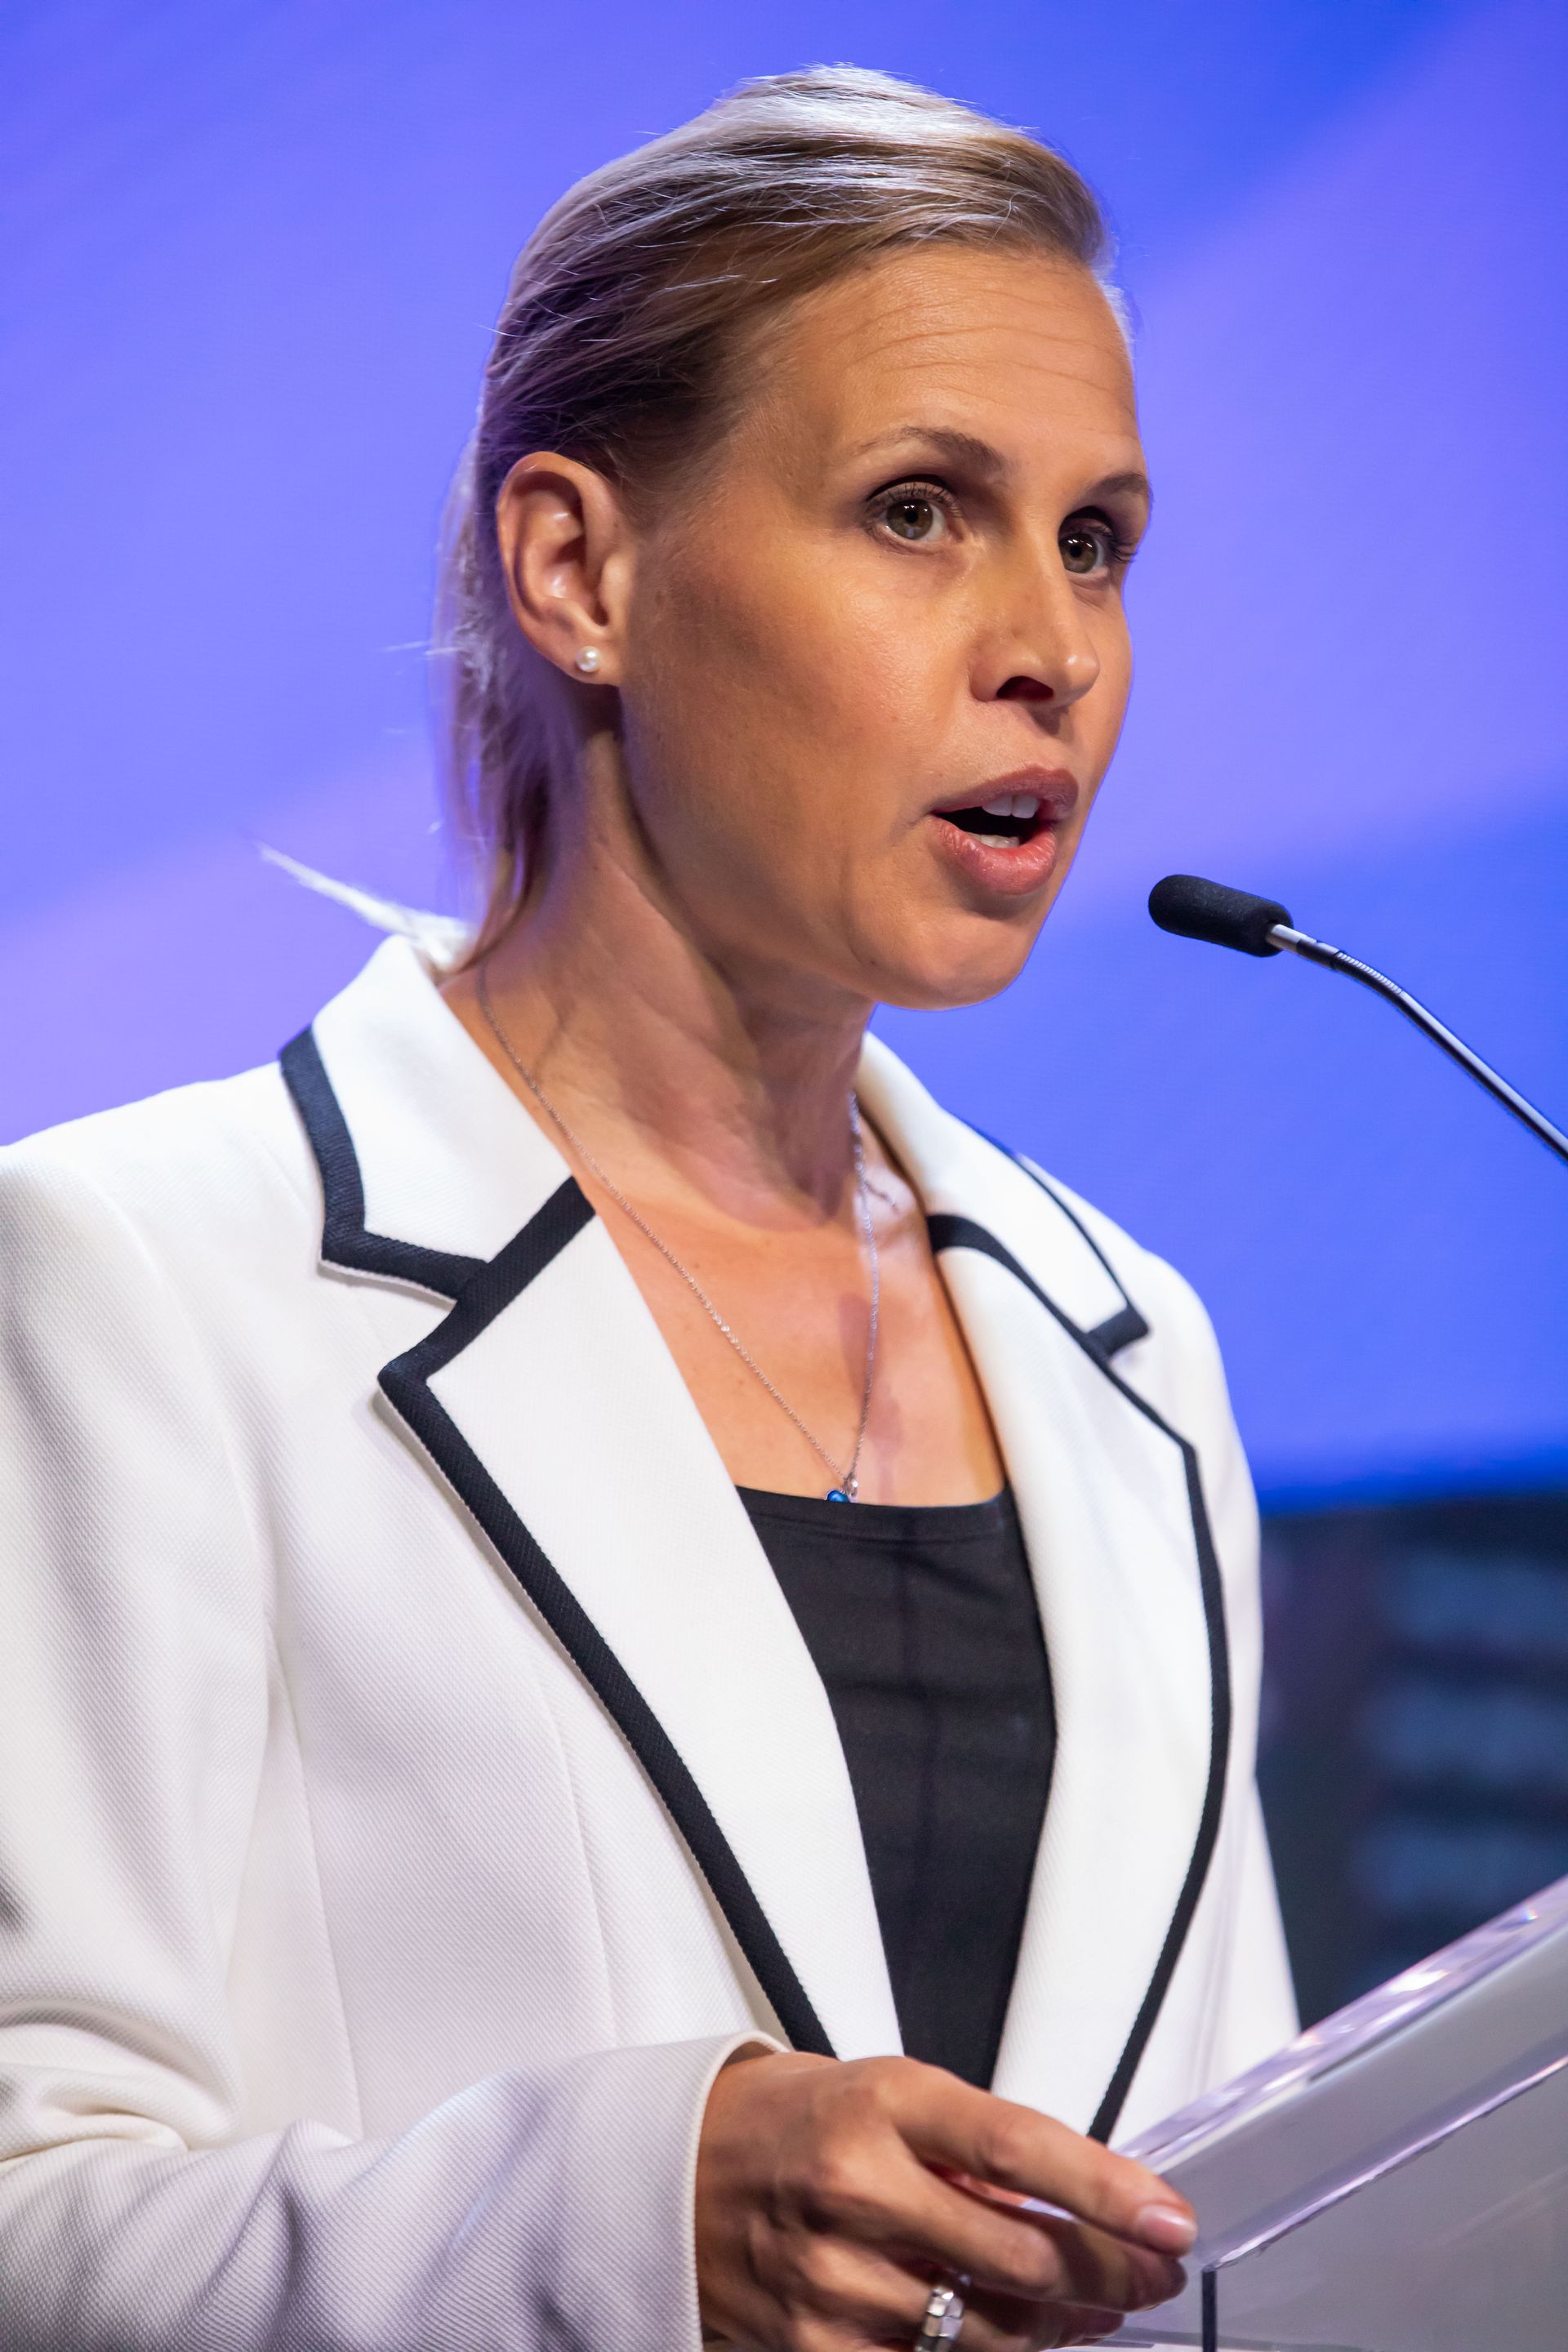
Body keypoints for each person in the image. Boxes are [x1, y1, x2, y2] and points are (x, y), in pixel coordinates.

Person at [0, 65, 1297, 2352]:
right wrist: (610, 2225)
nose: (1056, 646)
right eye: (920, 511)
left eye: (1097, 538)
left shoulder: (1135, 1351)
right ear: (581, 572)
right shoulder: (142, 1283)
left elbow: (1230, 2192)